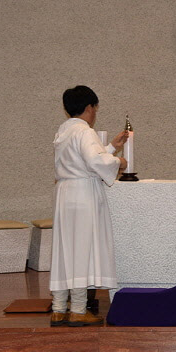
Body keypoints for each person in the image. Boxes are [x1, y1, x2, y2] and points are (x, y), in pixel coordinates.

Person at [49, 85, 128, 326]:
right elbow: (95, 161)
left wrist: (111, 147)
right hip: (83, 194)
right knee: (81, 250)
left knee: (66, 250)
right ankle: (78, 309)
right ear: (89, 107)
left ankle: (59, 308)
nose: (95, 113)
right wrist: (119, 161)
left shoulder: (64, 131)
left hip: (65, 193)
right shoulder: (85, 131)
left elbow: (84, 160)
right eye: (95, 108)